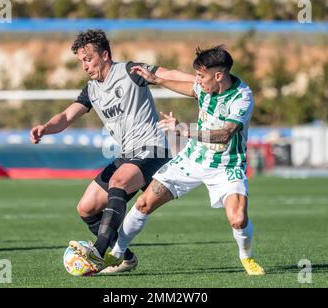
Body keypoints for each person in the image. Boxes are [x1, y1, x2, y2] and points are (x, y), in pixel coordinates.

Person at [81, 45, 265, 276]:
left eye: (201, 76)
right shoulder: (206, 87)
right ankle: (116, 254)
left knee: (238, 219)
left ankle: (246, 258)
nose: (197, 81)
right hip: (191, 160)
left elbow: (225, 134)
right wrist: (156, 80)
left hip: (226, 165)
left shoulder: (242, 97)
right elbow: (190, 89)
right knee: (143, 204)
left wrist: (184, 130)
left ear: (219, 76)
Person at [29, 29, 194, 275]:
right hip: (128, 155)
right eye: (81, 61)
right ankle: (125, 258)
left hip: (152, 150)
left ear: (105, 55)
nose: (85, 66)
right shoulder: (91, 89)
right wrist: (46, 128)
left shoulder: (129, 71)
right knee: (85, 208)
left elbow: (167, 73)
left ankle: (99, 251)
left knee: (118, 181)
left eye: (88, 59)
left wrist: (200, 82)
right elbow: (65, 117)